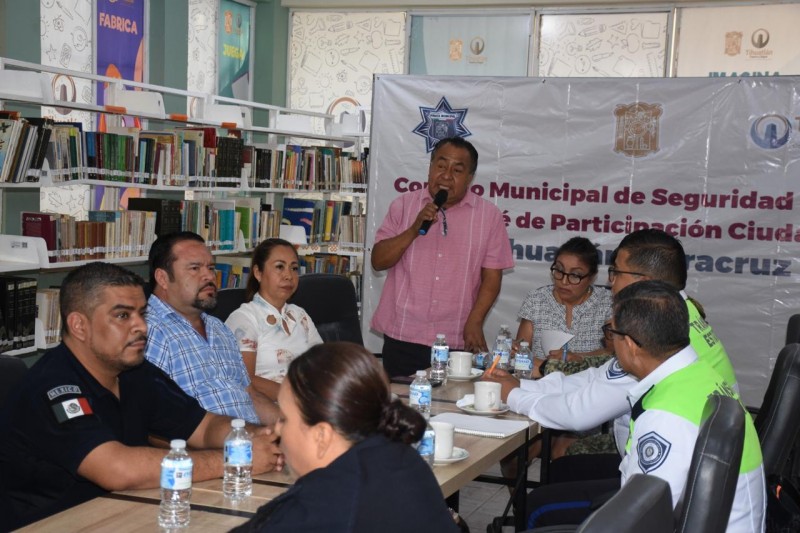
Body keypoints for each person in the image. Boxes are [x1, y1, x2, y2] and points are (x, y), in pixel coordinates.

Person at [0, 262, 282, 530]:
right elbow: (116, 469)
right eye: (123, 316)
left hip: (120, 515)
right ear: (79, 326)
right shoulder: (53, 387)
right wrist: (235, 459)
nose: (141, 327)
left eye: (142, 314)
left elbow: (205, 427)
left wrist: (260, 437)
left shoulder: (135, 372)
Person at [522, 281, 766, 530]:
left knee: (537, 508)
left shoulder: (664, 417)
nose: (608, 341)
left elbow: (645, 521)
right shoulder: (699, 373)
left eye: (611, 332)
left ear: (629, 344)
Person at [484, 229, 739, 457]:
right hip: (681, 452)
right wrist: (521, 386)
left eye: (616, 272)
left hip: (678, 459)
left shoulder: (660, 330)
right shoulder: (676, 313)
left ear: (643, 281)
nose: (611, 282)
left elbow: (579, 413)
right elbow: (598, 377)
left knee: (557, 481)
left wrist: (514, 395)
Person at [231, 342, 460, 533]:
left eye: (284, 419)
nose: (277, 430)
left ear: (321, 436)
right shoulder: (402, 456)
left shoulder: (327, 504)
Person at [370, 136, 514, 377]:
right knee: (400, 398)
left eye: (457, 170)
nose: (446, 176)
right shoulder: (403, 205)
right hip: (403, 333)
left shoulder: (489, 216)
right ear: (430, 167)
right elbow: (378, 261)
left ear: (470, 177)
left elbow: (492, 278)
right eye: (441, 165)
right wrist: (414, 228)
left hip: (456, 337)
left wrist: (475, 321)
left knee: (451, 399)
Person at [144, 231, 278, 425]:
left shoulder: (218, 328)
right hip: (208, 441)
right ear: (162, 278)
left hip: (250, 435)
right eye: (195, 268)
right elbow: (151, 420)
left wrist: (290, 427)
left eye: (211, 267)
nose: (209, 276)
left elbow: (250, 395)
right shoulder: (149, 331)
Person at [225, 238, 323, 401]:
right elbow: (244, 380)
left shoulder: (300, 315)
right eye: (279, 267)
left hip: (307, 403)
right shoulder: (244, 318)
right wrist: (298, 398)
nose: (289, 276)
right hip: (265, 407)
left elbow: (323, 365)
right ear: (258, 273)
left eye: (294, 268)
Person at [516, 236, 612, 363]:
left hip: (590, 376)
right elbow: (521, 353)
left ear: (592, 277)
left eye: (575, 275)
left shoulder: (607, 302)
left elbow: (614, 352)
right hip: (541, 375)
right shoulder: (536, 300)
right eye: (559, 270)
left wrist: (577, 357)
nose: (564, 281)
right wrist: (514, 351)